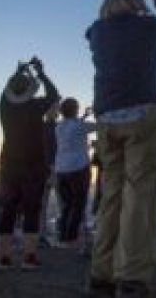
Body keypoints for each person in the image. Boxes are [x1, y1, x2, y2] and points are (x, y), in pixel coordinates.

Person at [87, 0, 156, 298]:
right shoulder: (146, 27)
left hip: (106, 119)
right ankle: (131, 277)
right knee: (139, 197)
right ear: (134, 1)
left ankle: (101, 274)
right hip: (143, 115)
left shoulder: (96, 32)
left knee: (111, 196)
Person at [0, 56, 60, 270]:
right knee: (32, 209)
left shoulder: (3, 107)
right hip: (33, 165)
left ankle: (4, 258)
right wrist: (40, 73)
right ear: (30, 90)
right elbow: (54, 95)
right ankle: (29, 257)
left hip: (8, 166)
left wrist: (17, 72)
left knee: (7, 210)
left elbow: (7, 90)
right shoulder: (35, 106)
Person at [54, 97, 95, 248]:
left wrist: (84, 116)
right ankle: (71, 239)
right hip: (78, 169)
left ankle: (63, 238)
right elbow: (101, 126)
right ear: (75, 110)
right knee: (78, 204)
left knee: (67, 205)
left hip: (61, 170)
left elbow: (75, 126)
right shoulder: (80, 126)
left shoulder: (59, 127)